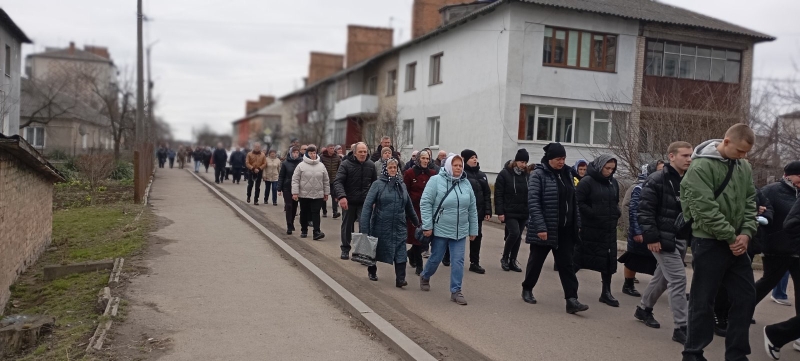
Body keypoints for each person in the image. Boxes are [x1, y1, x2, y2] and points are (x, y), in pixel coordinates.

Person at [681, 124, 758, 361]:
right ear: (726, 142)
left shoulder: (743, 166)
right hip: (709, 242)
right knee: (703, 301)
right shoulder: (701, 166)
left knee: (746, 297)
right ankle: (693, 353)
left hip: (736, 242)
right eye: (739, 151)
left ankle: (737, 355)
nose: (743, 157)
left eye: (746, 153)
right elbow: (704, 209)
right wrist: (731, 237)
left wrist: (746, 232)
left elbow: (750, 200)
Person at [634, 142, 693, 344]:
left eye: (690, 155)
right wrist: (651, 238)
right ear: (671, 156)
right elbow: (644, 210)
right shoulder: (657, 179)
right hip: (661, 239)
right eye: (684, 155)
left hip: (681, 238)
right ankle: (681, 327)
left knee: (663, 278)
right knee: (678, 280)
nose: (689, 159)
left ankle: (643, 309)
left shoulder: (690, 179)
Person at [520, 142, 587, 314]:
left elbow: (574, 202)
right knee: (536, 262)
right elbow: (533, 203)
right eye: (558, 158)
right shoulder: (538, 175)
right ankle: (527, 288)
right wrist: (541, 227)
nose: (561, 162)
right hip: (546, 228)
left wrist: (577, 223)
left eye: (563, 158)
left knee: (567, 265)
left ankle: (572, 300)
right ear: (550, 159)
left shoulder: (568, 174)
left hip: (565, 229)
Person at [419, 154, 478, 305]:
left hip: (460, 231)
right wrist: (427, 226)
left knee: (458, 261)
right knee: (436, 258)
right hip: (441, 229)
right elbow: (425, 203)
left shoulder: (466, 184)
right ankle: (425, 275)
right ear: (448, 166)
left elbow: (472, 208)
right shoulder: (436, 181)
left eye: (460, 165)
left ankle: (456, 291)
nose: (458, 168)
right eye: (455, 165)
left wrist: (473, 230)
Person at [361, 158, 420, 286]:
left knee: (400, 251)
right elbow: (367, 206)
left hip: (399, 225)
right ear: (385, 169)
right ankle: (372, 270)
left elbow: (408, 206)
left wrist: (417, 222)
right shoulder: (377, 184)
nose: (393, 170)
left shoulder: (401, 185)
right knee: (375, 248)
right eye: (390, 168)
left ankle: (400, 279)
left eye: (395, 167)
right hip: (380, 224)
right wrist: (364, 228)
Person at [575, 154, 622, 307]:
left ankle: (606, 292)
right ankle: (570, 287)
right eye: (607, 168)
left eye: (612, 169)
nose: (609, 171)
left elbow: (615, 201)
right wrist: (593, 213)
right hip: (590, 228)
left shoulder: (613, 182)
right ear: (600, 166)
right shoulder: (587, 182)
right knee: (580, 258)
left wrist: (616, 212)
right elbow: (578, 202)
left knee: (608, 260)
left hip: (608, 228)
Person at [753, 161, 800, 315]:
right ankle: (735, 311)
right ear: (787, 176)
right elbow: (760, 214)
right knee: (766, 284)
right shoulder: (771, 190)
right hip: (777, 248)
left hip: (797, 249)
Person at [763, 195, 800, 360]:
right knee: (766, 282)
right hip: (778, 251)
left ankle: (779, 334)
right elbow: (791, 224)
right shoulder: (774, 190)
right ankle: (777, 334)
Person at [618, 163, 659, 298]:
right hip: (639, 229)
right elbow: (629, 207)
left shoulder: (665, 186)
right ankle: (628, 284)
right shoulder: (638, 187)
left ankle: (668, 287)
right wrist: (632, 228)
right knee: (635, 258)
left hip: (656, 229)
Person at [334, 142, 378, 260]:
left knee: (364, 226)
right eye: (360, 152)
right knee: (347, 226)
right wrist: (342, 197)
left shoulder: (371, 165)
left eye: (365, 151)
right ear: (354, 153)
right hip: (349, 200)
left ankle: (362, 252)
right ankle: (345, 248)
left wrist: (374, 200)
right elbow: (338, 182)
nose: (363, 154)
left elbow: (375, 184)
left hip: (365, 202)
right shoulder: (346, 164)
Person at [495, 149, 529, 272]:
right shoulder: (505, 174)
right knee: (514, 233)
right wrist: (500, 212)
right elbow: (499, 194)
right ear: (515, 161)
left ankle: (513, 260)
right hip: (509, 211)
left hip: (523, 211)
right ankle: (505, 258)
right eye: (521, 161)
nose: (523, 165)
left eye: (525, 162)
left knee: (518, 236)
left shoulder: (527, 175)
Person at [404, 148, 436, 276]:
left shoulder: (433, 174)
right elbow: (405, 191)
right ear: (418, 159)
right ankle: (419, 265)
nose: (425, 161)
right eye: (423, 158)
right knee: (417, 236)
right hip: (414, 209)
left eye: (427, 158)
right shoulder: (410, 173)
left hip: (427, 209)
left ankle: (411, 253)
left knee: (424, 237)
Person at [461, 149, 492, 274]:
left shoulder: (482, 175)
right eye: (472, 157)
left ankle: (474, 263)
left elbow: (487, 194)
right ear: (465, 160)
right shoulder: (462, 174)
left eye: (476, 157)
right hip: (463, 211)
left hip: (477, 212)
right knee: (457, 236)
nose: (475, 159)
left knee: (476, 236)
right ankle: (448, 256)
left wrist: (487, 210)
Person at [291, 145, 329, 239]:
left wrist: (326, 193)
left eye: (314, 153)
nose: (313, 155)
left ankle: (316, 232)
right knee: (304, 212)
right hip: (304, 194)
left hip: (318, 194)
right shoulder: (301, 165)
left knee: (316, 212)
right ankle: (304, 230)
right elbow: (295, 180)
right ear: (307, 154)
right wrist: (295, 193)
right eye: (311, 153)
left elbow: (325, 180)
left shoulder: (321, 165)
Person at [278, 147, 302, 234]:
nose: (295, 154)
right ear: (291, 153)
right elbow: (281, 176)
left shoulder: (301, 163)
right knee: (289, 206)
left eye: (297, 152)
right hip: (287, 187)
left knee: (295, 206)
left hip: (298, 188)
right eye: (294, 152)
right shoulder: (285, 163)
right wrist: (279, 189)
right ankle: (289, 225)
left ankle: (291, 222)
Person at [320, 144, 342, 218]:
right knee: (324, 196)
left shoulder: (337, 157)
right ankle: (324, 211)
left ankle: (335, 212)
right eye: (330, 148)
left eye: (333, 148)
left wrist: (338, 177)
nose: (332, 150)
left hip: (334, 179)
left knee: (334, 196)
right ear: (327, 149)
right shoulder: (322, 157)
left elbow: (340, 168)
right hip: (325, 180)